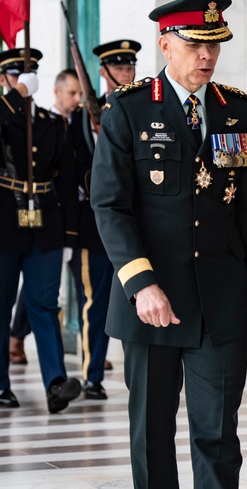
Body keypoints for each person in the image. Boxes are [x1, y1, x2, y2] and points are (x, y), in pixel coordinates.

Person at [90, 0, 247, 489]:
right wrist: (141, 283)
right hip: (153, 301)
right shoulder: (128, 110)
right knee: (152, 438)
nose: (206, 57)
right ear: (165, 44)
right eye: (195, 44)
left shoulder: (236, 110)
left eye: (215, 46)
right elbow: (110, 206)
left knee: (218, 438)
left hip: (221, 303)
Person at [0, 48, 82, 413]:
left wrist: (69, 236)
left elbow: (66, 181)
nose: (24, 81)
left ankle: (55, 384)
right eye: (16, 76)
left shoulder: (53, 122)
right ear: (4, 79)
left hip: (46, 223)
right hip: (2, 220)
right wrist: (14, 98)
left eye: (28, 76)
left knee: (45, 306)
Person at [67, 39, 141, 399]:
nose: (127, 73)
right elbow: (72, 170)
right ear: (103, 71)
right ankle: (91, 374)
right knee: (95, 305)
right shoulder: (82, 117)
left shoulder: (141, 110)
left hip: (138, 229)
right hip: (93, 229)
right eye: (120, 67)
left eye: (130, 66)